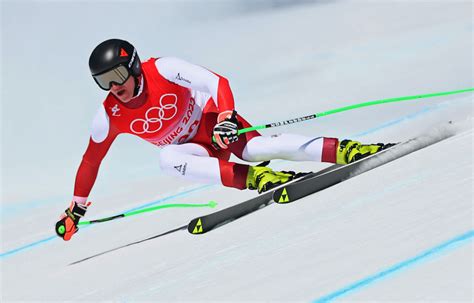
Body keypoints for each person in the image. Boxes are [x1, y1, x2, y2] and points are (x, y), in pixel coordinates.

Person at [55, 39, 392, 241]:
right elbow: (91, 161)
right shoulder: (109, 114)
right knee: (166, 160)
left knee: (255, 148)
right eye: (103, 82)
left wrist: (226, 117)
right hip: (194, 148)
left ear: (134, 67)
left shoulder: (163, 68)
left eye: (116, 77)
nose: (114, 87)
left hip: (213, 122)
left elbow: (216, 82)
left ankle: (346, 149)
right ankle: (258, 178)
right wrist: (77, 208)